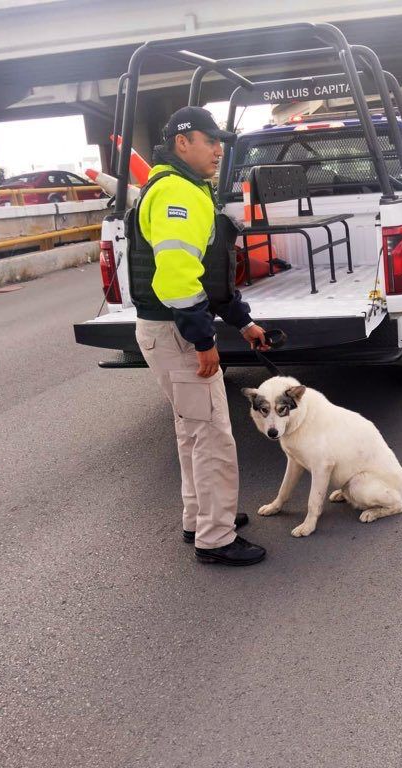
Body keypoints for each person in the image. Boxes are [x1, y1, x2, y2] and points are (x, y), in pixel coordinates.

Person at [131, 106, 268, 566]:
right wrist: (204, 340)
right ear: (183, 141)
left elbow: (207, 274)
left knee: (192, 431)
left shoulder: (182, 188)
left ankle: (201, 519)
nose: (218, 149)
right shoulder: (178, 193)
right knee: (211, 435)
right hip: (176, 334)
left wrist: (241, 321)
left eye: (220, 141)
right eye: (210, 140)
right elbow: (175, 279)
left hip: (165, 331)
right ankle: (216, 538)